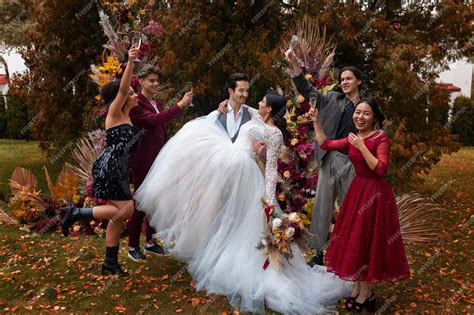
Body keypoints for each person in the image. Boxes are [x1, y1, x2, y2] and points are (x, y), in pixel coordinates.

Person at [134, 92, 350, 313]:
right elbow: (241, 106)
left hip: (245, 175)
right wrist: (225, 103)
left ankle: (252, 269)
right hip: (228, 163)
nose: (258, 102)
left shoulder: (274, 133)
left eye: (263, 102)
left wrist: (268, 201)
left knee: (246, 221)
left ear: (269, 109)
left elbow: (271, 168)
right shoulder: (256, 116)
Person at [309, 99, 410, 312]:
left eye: (366, 113)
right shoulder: (355, 137)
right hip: (358, 191)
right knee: (354, 238)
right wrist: (316, 122)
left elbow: (380, 169)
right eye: (357, 112)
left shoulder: (380, 138)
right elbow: (326, 144)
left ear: (374, 118)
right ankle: (357, 286)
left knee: (366, 239)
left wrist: (362, 147)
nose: (360, 117)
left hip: (374, 193)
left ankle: (367, 292)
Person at [61, 46, 141, 277]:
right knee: (126, 209)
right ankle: (75, 213)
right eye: (132, 94)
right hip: (110, 168)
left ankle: (110, 264)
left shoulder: (127, 117)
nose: (135, 96)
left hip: (118, 169)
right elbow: (124, 89)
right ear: (122, 97)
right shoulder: (115, 113)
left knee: (118, 216)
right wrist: (131, 61)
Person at [285, 49, 361, 266]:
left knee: (350, 207)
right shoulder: (331, 99)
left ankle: (348, 250)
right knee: (322, 207)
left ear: (359, 81)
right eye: (342, 79)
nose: (344, 82)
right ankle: (318, 252)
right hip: (331, 158)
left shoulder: (365, 107)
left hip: (354, 162)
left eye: (349, 78)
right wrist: (294, 64)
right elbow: (305, 88)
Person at [127, 64, 193, 262]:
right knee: (140, 203)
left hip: (158, 158)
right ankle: (132, 246)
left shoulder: (154, 101)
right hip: (143, 160)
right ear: (141, 81)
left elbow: (160, 126)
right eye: (151, 80)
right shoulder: (136, 103)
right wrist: (180, 105)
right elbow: (155, 121)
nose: (156, 84)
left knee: (155, 201)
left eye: (157, 80)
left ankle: (150, 242)